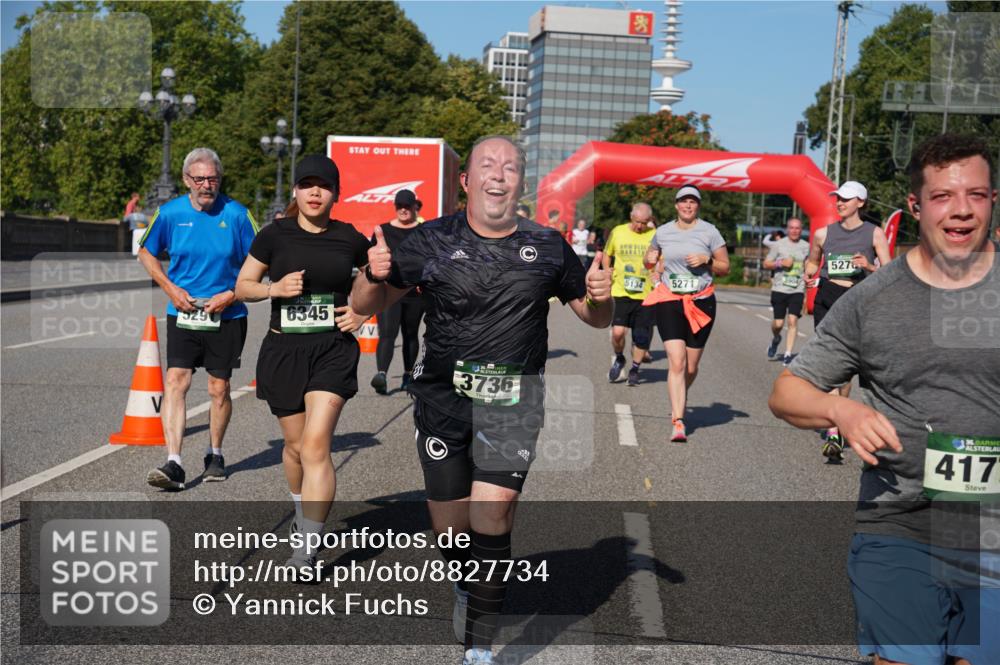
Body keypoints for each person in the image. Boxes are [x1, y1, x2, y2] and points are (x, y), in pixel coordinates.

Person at [351, 135, 613, 665]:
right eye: (488, 166)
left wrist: (605, 300)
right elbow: (367, 305)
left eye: (511, 167)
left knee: (494, 515)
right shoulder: (427, 241)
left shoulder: (550, 246)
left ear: (521, 182)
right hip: (441, 400)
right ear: (466, 182)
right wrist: (370, 274)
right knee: (451, 532)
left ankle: (479, 647)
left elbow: (593, 316)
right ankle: (467, 583)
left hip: (513, 401)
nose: (499, 174)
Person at [770, 133, 999, 665]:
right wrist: (840, 409)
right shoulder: (874, 300)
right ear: (916, 206)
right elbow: (787, 392)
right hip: (901, 525)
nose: (961, 211)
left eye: (977, 195)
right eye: (943, 196)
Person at [235, 154, 368, 569]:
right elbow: (242, 286)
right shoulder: (274, 236)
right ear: (295, 190)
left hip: (332, 349)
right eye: (307, 184)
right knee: (294, 449)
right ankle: (301, 513)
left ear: (336, 194)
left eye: (323, 186)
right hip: (284, 351)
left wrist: (364, 313)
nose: (315, 192)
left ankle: (307, 550)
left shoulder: (350, 238)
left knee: (315, 446)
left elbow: (377, 282)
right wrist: (273, 289)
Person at [138, 148, 258, 490]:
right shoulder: (170, 213)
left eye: (213, 179)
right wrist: (170, 289)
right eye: (200, 179)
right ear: (186, 180)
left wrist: (231, 294)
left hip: (228, 313)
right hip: (184, 312)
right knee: (176, 381)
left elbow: (261, 262)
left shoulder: (237, 215)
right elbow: (145, 252)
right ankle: (174, 462)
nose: (207, 185)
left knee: (218, 388)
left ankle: (214, 453)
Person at [804, 180, 892, 460]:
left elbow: (889, 274)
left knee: (847, 369)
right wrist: (809, 274)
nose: (839, 202)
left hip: (858, 299)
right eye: (838, 198)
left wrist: (868, 266)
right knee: (829, 363)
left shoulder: (874, 234)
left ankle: (841, 415)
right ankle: (833, 431)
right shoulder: (822, 233)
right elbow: (812, 261)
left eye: (846, 198)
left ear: (861, 203)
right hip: (827, 296)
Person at [642, 184, 729, 442]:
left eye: (693, 202)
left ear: (698, 206)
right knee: (676, 362)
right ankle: (678, 420)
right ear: (676, 205)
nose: (688, 206)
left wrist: (708, 261)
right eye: (683, 201)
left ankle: (680, 394)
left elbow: (725, 267)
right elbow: (650, 260)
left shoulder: (710, 232)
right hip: (670, 300)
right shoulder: (663, 231)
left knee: (691, 366)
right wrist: (651, 258)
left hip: (701, 302)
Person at [370, 189, 425, 394]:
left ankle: (408, 375)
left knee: (410, 335)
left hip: (414, 293)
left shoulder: (423, 230)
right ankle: (381, 375)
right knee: (387, 334)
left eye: (407, 206)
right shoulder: (383, 230)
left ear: (414, 207)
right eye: (399, 206)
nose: (403, 210)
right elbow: (371, 260)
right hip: (388, 292)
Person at [603, 202, 657, 386]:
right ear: (630, 217)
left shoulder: (655, 236)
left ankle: (634, 368)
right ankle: (619, 358)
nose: (640, 226)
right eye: (637, 222)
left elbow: (662, 261)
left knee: (641, 337)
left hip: (646, 294)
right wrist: (606, 271)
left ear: (649, 221)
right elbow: (606, 253)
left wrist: (658, 272)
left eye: (644, 222)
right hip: (620, 291)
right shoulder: (618, 232)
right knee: (617, 333)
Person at [763, 218, 809, 366]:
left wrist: (808, 277)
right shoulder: (778, 245)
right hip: (779, 288)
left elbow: (809, 265)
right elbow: (766, 263)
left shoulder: (806, 246)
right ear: (787, 229)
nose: (794, 231)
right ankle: (776, 339)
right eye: (792, 228)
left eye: (797, 228)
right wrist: (780, 263)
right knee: (778, 323)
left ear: (801, 230)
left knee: (792, 320)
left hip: (797, 288)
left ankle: (788, 354)